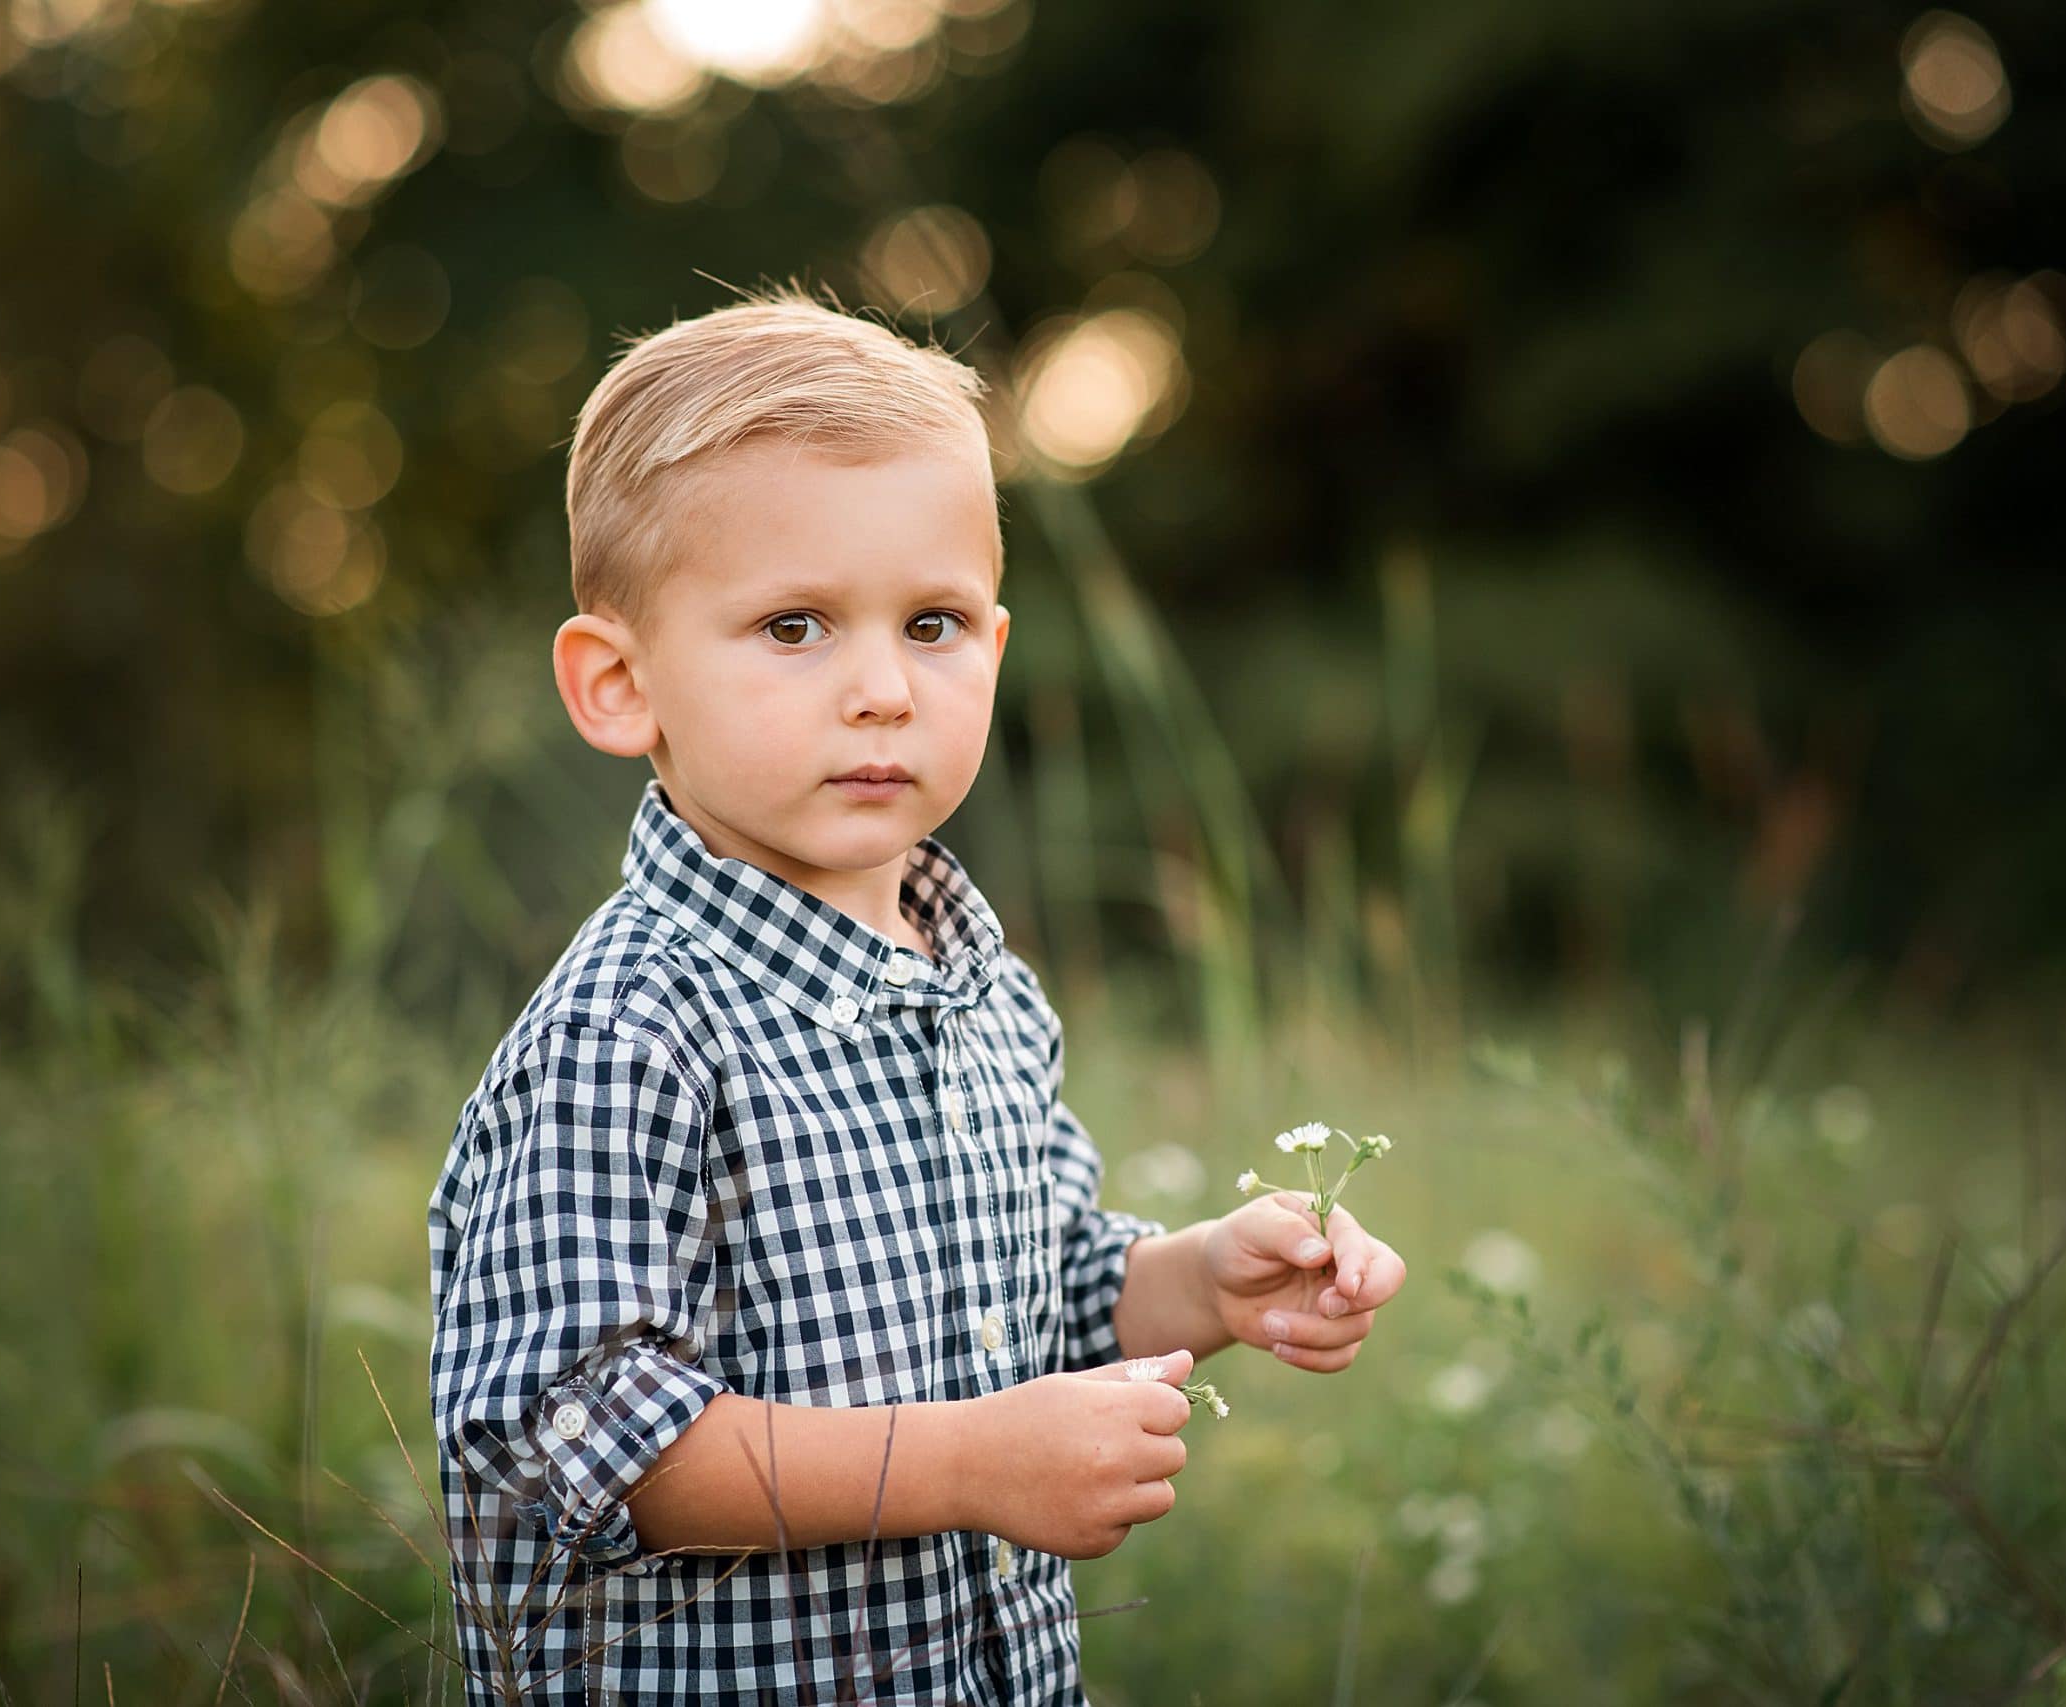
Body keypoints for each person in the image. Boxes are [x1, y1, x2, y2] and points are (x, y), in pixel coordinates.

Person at [427, 281, 1408, 1705]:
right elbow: (589, 1445)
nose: (884, 687)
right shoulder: (630, 1033)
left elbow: (1044, 1300)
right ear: (620, 686)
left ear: (995, 653)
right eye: (795, 628)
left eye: (933, 624)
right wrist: (970, 1463)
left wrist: (1206, 1279)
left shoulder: (981, 992)